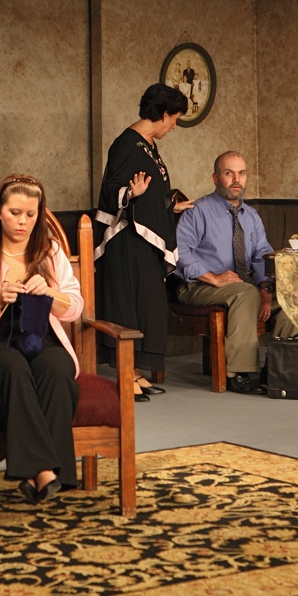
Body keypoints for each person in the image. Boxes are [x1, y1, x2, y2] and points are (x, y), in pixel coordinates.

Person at [0, 175, 84, 503]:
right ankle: (48, 472)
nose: (22, 221)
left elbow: (75, 307)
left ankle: (37, 474)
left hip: (43, 335)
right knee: (14, 369)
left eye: (30, 214)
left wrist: (50, 293)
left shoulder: (50, 252)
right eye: (15, 213)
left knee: (57, 369)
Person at [94, 83, 193, 402]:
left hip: (144, 242)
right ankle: (125, 375)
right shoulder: (126, 144)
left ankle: (136, 372)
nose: (174, 126)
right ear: (163, 114)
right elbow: (112, 189)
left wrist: (169, 207)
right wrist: (129, 193)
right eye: (174, 119)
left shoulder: (148, 144)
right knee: (128, 309)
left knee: (144, 307)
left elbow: (150, 193)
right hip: (126, 243)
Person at [174, 151, 298, 394]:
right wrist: (213, 277)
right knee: (245, 294)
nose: (236, 180)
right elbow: (180, 253)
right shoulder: (198, 211)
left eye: (241, 174)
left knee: (291, 299)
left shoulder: (251, 216)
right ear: (215, 178)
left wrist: (265, 288)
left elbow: (262, 255)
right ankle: (239, 373)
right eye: (229, 173)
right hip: (199, 285)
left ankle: (279, 371)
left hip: (243, 285)